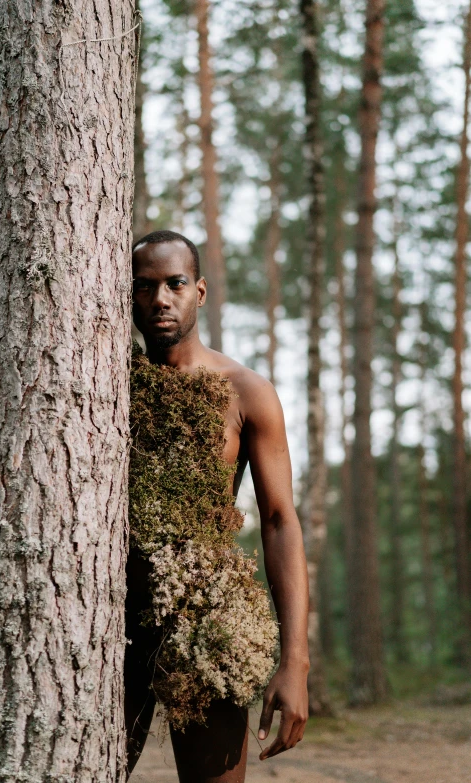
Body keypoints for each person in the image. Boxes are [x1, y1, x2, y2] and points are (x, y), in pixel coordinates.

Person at [126, 229, 309, 783]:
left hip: (207, 621)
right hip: (109, 619)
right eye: (144, 286)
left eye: (174, 284)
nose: (160, 299)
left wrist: (294, 661)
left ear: (199, 292)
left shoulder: (245, 390)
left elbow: (279, 521)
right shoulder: (103, 384)